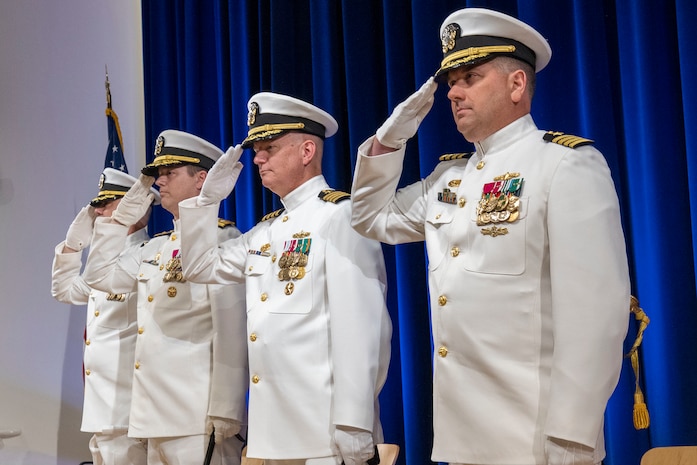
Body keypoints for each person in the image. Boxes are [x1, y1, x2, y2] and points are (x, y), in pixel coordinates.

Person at [350, 7, 630, 465]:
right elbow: (369, 217)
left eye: (471, 77)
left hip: (535, 439)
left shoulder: (564, 164)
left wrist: (573, 438)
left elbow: (596, 313)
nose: (454, 92)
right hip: (461, 439)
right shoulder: (448, 179)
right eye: (451, 82)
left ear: (517, 85)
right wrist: (390, 138)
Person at [177, 93, 392, 465]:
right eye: (256, 150)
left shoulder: (340, 217)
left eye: (269, 148)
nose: (257, 158)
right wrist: (205, 204)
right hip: (271, 435)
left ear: (307, 151)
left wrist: (355, 426)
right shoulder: (264, 231)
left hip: (324, 435)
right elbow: (198, 267)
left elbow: (361, 329)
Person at [82, 130, 249, 465]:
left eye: (170, 173)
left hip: (197, 416)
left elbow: (230, 329)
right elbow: (99, 278)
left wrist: (227, 408)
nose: (160, 181)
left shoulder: (224, 240)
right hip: (151, 416)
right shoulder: (155, 247)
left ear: (202, 178)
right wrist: (118, 222)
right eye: (159, 174)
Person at [51, 167, 159, 465]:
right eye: (97, 204)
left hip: (129, 406)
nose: (97, 212)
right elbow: (65, 292)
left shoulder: (148, 254)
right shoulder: (106, 263)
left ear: (136, 208)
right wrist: (73, 246)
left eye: (107, 204)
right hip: (101, 407)